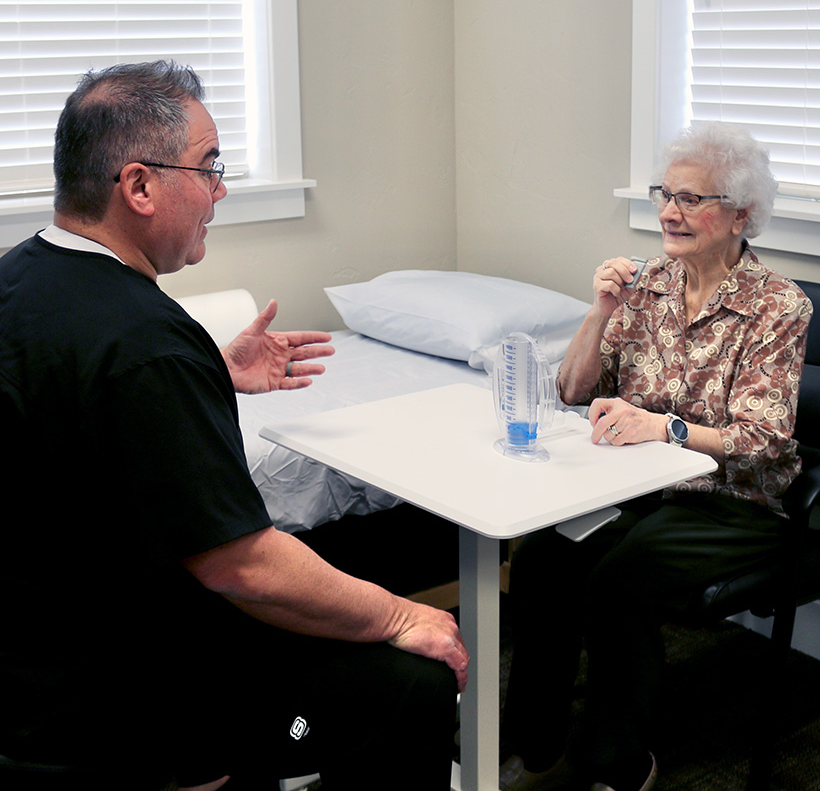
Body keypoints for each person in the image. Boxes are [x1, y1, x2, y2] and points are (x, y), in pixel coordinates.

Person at [0, 61, 468, 791]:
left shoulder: (22, 280)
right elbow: (240, 565)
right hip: (115, 696)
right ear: (140, 187)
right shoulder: (144, 337)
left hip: (31, 654)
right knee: (413, 682)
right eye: (209, 166)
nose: (220, 191)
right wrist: (400, 615)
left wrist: (210, 368)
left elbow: (77, 412)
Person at [499, 122, 812, 791]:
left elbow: (762, 440)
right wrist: (600, 309)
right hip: (642, 489)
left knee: (618, 579)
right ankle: (537, 738)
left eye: (692, 199)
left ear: (741, 216)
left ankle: (622, 760)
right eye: (665, 195)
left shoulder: (778, 306)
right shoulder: (646, 286)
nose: (670, 212)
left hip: (736, 504)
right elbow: (574, 390)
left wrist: (664, 428)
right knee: (544, 560)